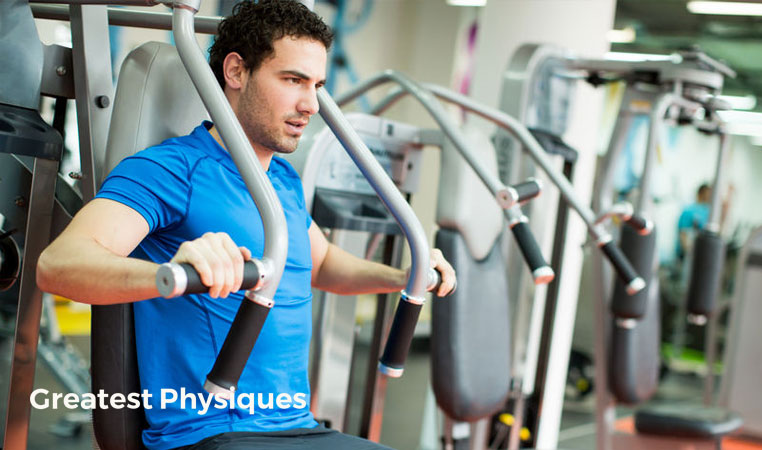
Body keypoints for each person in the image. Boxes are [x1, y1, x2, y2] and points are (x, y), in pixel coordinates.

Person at [36, 1, 456, 449]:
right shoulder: (172, 169)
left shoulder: (281, 180)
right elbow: (58, 264)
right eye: (293, 80)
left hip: (299, 427)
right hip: (216, 433)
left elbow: (321, 264)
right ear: (236, 71)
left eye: (317, 85)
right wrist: (174, 273)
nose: (311, 104)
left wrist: (402, 276)